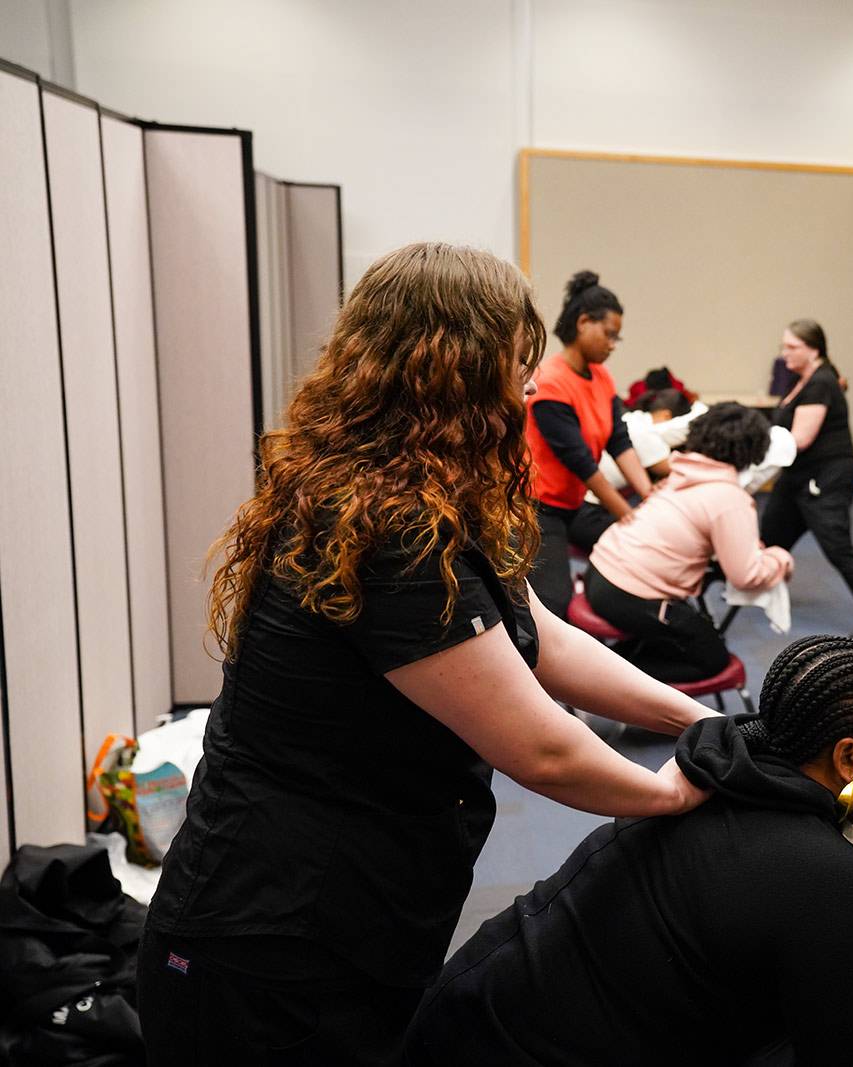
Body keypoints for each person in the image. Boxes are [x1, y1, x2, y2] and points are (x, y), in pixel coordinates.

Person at [137, 244, 714, 1067]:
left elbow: (539, 635)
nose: (522, 397)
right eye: (513, 378)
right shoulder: (385, 524)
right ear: (457, 377)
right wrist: (685, 792)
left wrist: (697, 721)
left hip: (343, 915)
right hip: (270, 944)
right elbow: (543, 750)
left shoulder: (420, 490)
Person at [404, 636, 853, 1067]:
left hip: (462, 1022)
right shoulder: (825, 877)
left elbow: (772, 937)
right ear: (848, 758)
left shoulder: (711, 777)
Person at [586, 403, 794, 682]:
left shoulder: (680, 474)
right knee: (713, 657)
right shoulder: (730, 498)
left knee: (681, 634)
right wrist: (780, 558)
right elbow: (746, 576)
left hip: (599, 571)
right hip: (630, 594)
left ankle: (608, 664)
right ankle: (604, 678)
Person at [760, 319, 853, 641]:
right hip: (796, 476)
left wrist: (755, 452)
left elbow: (801, 438)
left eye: (793, 347)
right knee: (769, 539)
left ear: (814, 350)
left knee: (837, 547)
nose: (785, 354)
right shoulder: (802, 379)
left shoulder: (821, 382)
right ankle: (758, 594)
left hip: (826, 477)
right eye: (784, 346)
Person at [525, 270, 652, 618]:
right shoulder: (550, 383)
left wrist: (650, 500)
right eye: (609, 335)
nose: (612, 345)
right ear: (583, 323)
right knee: (555, 605)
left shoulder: (601, 376)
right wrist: (628, 515)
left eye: (617, 339)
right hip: (537, 509)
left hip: (573, 504)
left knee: (643, 552)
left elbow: (618, 440)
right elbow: (580, 462)